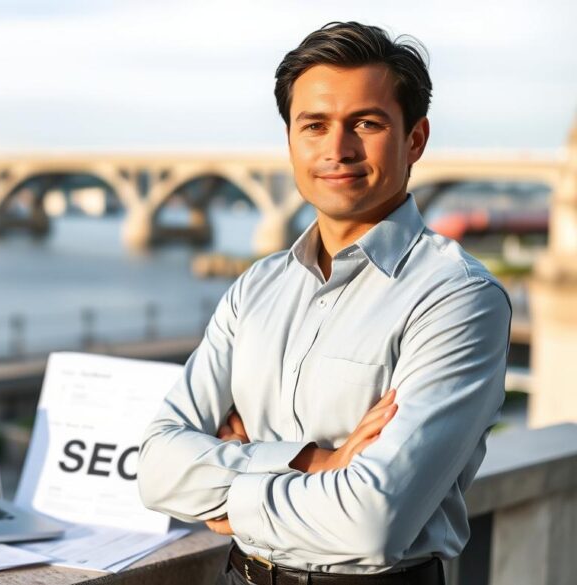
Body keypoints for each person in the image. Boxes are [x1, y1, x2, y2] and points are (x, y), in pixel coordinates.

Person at [137, 21, 511, 585]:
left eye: (366, 122)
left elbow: (370, 523)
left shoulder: (457, 299)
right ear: (290, 139)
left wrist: (231, 488)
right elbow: (156, 469)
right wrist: (316, 462)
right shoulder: (256, 288)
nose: (338, 149)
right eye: (314, 125)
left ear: (415, 139)